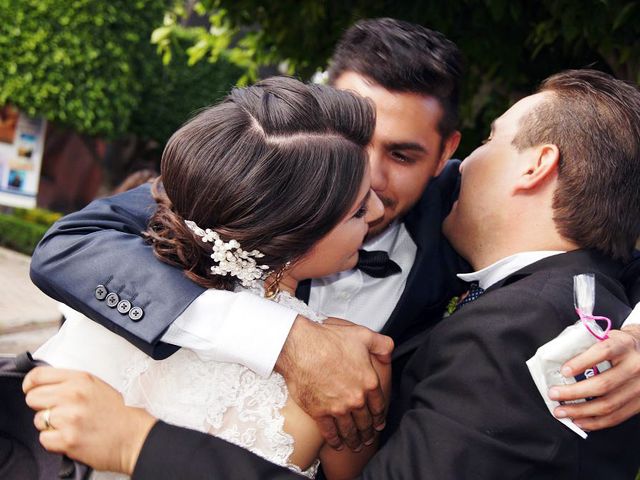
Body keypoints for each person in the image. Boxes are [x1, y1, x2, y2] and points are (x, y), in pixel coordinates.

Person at [28, 18, 640, 449]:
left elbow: (604, 241)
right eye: (352, 143)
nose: (365, 184)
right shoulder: (254, 169)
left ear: (446, 152)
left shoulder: (471, 206)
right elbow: (71, 247)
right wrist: (285, 338)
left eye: (401, 154)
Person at [34, 76, 392, 478]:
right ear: (293, 237)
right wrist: (283, 337)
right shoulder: (357, 369)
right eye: (359, 210)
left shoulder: (116, 295)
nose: (378, 211)